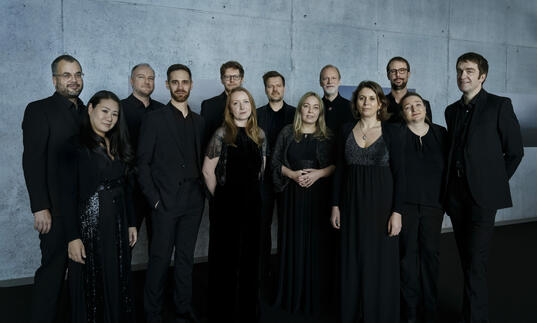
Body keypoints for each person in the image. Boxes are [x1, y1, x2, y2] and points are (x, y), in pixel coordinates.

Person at [444, 52, 523, 323]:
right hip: (456, 197)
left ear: (482, 76)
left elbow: (515, 152)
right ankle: (469, 312)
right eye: (459, 71)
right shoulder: (451, 111)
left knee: (476, 262)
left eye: (468, 71)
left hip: (483, 198)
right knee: (466, 260)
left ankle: (476, 318)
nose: (462, 75)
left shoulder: (500, 105)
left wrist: (493, 184)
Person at [330, 81, 405, 323]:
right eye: (362, 98)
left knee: (380, 262)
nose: (366, 103)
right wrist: (335, 205)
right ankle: (351, 314)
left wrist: (397, 211)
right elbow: (339, 170)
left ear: (380, 103)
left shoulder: (392, 131)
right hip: (351, 204)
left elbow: (401, 174)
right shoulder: (344, 130)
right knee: (352, 259)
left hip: (382, 206)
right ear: (356, 102)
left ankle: (379, 314)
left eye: (371, 98)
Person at [61, 90, 138, 323]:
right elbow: (67, 196)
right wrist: (72, 237)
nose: (110, 118)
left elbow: (126, 187)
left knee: (117, 274)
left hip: (117, 218)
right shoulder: (74, 146)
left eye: (115, 114)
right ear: (91, 109)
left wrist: (132, 222)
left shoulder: (117, 142)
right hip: (90, 221)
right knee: (92, 279)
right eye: (105, 111)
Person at [138, 64, 206, 323]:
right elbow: (142, 163)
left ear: (191, 84)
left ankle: (182, 305)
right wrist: (154, 199)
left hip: (193, 201)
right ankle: (152, 312)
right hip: (165, 200)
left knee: (186, 257)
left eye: (185, 82)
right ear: (167, 85)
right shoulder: (154, 118)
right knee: (159, 258)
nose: (180, 87)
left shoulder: (199, 121)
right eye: (175, 82)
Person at [22, 54, 85, 323]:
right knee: (52, 272)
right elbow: (32, 160)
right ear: (54, 80)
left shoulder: (88, 110)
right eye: (67, 75)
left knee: (81, 275)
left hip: (85, 208)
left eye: (78, 74)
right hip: (55, 210)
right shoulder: (39, 109)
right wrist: (40, 207)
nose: (74, 80)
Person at [202, 87, 266, 323]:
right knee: (226, 262)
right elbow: (207, 171)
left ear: (251, 105)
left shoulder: (260, 134)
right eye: (236, 103)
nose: (241, 107)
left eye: (245, 102)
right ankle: (223, 313)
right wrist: (220, 199)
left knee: (250, 260)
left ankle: (248, 313)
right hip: (226, 205)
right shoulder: (222, 134)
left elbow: (261, 170)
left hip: (253, 205)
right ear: (229, 108)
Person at [271, 92, 334, 316]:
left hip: (318, 197)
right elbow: (275, 160)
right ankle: (292, 294)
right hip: (292, 197)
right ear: (300, 110)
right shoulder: (288, 132)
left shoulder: (327, 135)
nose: (310, 111)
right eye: (306, 106)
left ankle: (314, 296)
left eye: (315, 107)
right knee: (293, 241)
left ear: (320, 112)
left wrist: (318, 174)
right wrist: (292, 174)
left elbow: (337, 165)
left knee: (316, 243)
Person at [398, 92, 448, 323]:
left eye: (418, 104)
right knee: (408, 257)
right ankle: (409, 309)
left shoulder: (441, 134)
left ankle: (430, 308)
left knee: (430, 257)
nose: (414, 109)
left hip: (433, 206)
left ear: (426, 108)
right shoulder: (397, 135)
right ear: (403, 113)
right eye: (408, 106)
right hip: (406, 206)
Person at [256, 70, 296, 296]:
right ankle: (263, 275)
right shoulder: (257, 114)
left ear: (284, 87)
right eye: (270, 86)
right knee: (261, 230)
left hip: (287, 179)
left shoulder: (295, 114)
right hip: (262, 182)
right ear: (265, 89)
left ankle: (284, 274)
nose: (274, 89)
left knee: (287, 228)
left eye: (278, 85)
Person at [121, 63, 164, 250]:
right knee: (125, 243)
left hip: (158, 187)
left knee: (159, 243)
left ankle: (156, 280)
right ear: (132, 81)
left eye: (151, 78)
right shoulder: (119, 109)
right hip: (129, 187)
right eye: (141, 77)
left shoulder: (163, 111)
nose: (147, 82)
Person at [201, 60, 244, 147]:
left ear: (241, 79)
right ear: (222, 80)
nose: (231, 80)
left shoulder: (249, 105)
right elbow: (204, 138)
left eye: (235, 77)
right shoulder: (209, 105)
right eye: (227, 77)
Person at [385, 56, 432, 123]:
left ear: (408, 74)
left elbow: (427, 131)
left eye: (402, 70)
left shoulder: (423, 105)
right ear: (388, 76)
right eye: (393, 71)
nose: (398, 75)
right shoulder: (380, 104)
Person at [319, 64, 353, 133]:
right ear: (320, 83)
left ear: (339, 81)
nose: (330, 82)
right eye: (325, 78)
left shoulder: (352, 107)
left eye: (333, 78)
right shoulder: (315, 107)